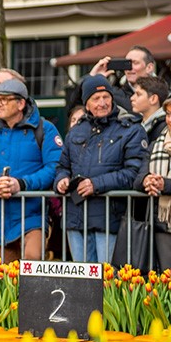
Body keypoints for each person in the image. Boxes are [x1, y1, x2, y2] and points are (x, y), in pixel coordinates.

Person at [0, 78, 62, 262]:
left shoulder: (45, 129)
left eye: (4, 99)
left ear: (21, 103)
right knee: (3, 282)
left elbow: (54, 167)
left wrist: (21, 184)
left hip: (33, 214)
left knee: (32, 267)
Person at [55, 74, 146, 262]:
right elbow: (62, 166)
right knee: (82, 280)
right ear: (86, 104)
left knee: (108, 281)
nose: (102, 103)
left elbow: (133, 172)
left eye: (106, 97)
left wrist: (96, 184)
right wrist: (61, 180)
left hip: (109, 218)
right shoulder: (76, 131)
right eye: (96, 99)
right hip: (76, 217)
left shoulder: (130, 129)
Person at [134, 96, 171, 270]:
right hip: (161, 222)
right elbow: (138, 177)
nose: (170, 120)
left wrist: (166, 185)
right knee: (165, 278)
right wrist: (146, 180)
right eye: (168, 114)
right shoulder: (155, 144)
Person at [130, 76, 168, 142]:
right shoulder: (136, 123)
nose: (132, 98)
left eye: (138, 94)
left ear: (153, 99)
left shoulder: (165, 127)